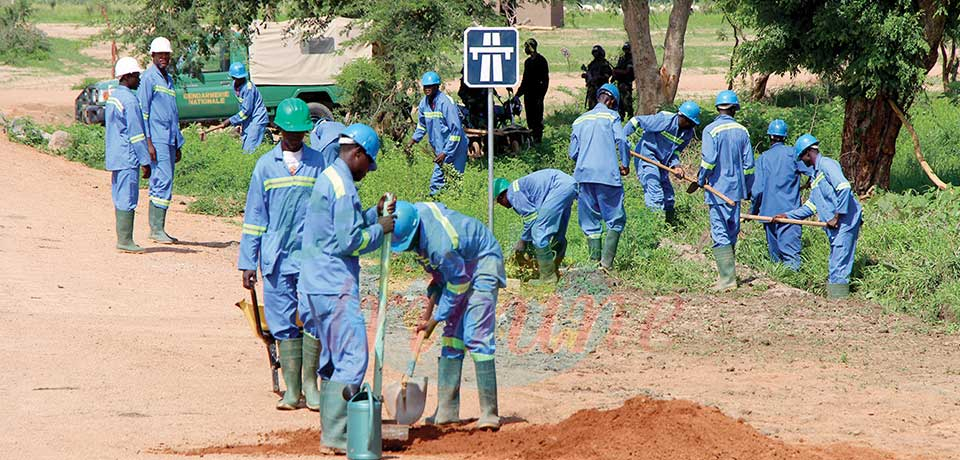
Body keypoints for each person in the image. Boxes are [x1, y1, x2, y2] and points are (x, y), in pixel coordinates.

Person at [297, 124, 394, 454]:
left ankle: (332, 432)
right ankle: (337, 436)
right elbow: (349, 240)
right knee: (353, 357)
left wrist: (372, 214)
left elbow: (344, 225)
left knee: (333, 360)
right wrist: (380, 229)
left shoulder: (332, 179)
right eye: (369, 162)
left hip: (314, 284)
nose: (369, 170)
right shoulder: (342, 187)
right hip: (333, 285)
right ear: (358, 154)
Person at [237, 98, 328, 412]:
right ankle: (292, 391)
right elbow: (254, 217)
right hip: (276, 257)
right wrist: (248, 262)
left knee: (313, 316)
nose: (294, 137)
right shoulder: (266, 165)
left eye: (300, 132)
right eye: (289, 131)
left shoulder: (320, 163)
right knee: (281, 322)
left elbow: (329, 210)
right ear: (278, 130)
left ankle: (310, 387)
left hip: (310, 257)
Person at [391, 200, 506, 431]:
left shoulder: (440, 244)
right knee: (452, 337)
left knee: (476, 334)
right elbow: (441, 277)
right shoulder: (415, 219)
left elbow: (459, 281)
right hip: (459, 266)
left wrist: (434, 320)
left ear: (414, 232)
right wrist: (432, 301)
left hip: (483, 262)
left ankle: (489, 412)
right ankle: (447, 410)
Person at [774, 134, 862, 299]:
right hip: (835, 224)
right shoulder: (815, 175)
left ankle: (839, 303)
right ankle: (836, 300)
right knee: (835, 262)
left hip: (845, 221)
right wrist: (786, 216)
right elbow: (811, 206)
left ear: (808, 153)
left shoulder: (828, 165)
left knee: (839, 264)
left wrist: (837, 216)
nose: (802, 162)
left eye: (802, 157)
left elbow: (843, 187)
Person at [698, 90, 754, 291]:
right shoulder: (743, 131)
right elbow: (749, 166)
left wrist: (701, 177)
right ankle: (729, 276)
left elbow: (709, 160)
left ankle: (727, 280)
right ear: (734, 109)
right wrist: (747, 188)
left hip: (717, 189)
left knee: (720, 230)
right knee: (732, 230)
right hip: (736, 190)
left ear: (717, 108)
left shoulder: (710, 130)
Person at [569, 83, 630, 270]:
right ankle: (606, 264)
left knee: (590, 222)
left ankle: (593, 264)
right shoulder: (612, 116)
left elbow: (573, 153)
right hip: (607, 175)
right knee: (615, 219)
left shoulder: (579, 120)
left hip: (583, 176)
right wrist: (625, 164)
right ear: (611, 101)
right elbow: (622, 140)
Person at [493, 169, 576, 284]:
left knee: (539, 231)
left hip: (558, 187)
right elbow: (534, 216)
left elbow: (531, 217)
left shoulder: (512, 193)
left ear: (502, 196)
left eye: (499, 202)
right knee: (558, 234)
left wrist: (522, 241)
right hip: (569, 185)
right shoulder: (518, 188)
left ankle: (547, 279)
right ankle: (553, 269)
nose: (502, 205)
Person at [139, 36, 184, 243]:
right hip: (156, 139)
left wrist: (178, 142)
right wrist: (148, 143)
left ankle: (160, 228)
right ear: (153, 56)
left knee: (167, 181)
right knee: (161, 180)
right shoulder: (148, 78)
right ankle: (156, 229)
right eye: (160, 55)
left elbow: (173, 114)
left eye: (167, 55)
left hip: (169, 139)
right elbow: (144, 113)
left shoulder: (169, 79)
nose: (164, 58)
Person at [624, 101, 701, 223]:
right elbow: (636, 120)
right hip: (647, 157)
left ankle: (669, 224)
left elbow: (675, 152)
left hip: (662, 163)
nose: (691, 125)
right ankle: (655, 227)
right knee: (655, 192)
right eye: (690, 122)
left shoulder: (687, 133)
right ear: (682, 117)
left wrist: (676, 166)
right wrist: (622, 140)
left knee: (668, 196)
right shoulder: (664, 120)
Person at [105, 57, 151, 253]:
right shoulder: (130, 100)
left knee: (119, 195)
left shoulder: (114, 97)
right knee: (127, 196)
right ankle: (125, 240)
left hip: (116, 155)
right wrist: (145, 161)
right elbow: (137, 134)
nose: (139, 79)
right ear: (128, 76)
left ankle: (123, 238)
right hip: (128, 156)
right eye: (136, 75)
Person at [751, 120, 810, 270]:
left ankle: (779, 287)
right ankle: (792, 287)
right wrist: (809, 184)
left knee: (775, 258)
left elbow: (757, 190)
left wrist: (753, 211)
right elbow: (814, 170)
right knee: (791, 256)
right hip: (790, 214)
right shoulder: (793, 154)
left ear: (769, 137)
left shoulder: (763, 158)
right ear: (785, 137)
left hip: (768, 215)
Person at [408, 71, 469, 195]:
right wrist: (413, 140)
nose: (427, 89)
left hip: (456, 148)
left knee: (450, 181)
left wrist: (445, 152)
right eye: (425, 86)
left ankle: (441, 204)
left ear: (437, 86)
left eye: (430, 86)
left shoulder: (445, 103)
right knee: (443, 181)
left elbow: (456, 130)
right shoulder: (423, 103)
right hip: (441, 150)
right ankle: (442, 204)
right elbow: (422, 125)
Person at [208, 62, 270, 153]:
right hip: (248, 120)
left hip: (257, 118)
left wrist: (230, 121)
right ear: (233, 77)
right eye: (236, 78)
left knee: (248, 150)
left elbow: (246, 111)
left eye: (241, 78)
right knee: (245, 143)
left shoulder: (248, 88)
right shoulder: (234, 85)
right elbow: (242, 105)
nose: (239, 80)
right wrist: (239, 122)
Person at [514, 38, 549, 143]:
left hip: (537, 96)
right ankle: (532, 140)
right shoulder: (527, 62)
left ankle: (538, 140)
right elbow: (525, 81)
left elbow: (545, 80)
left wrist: (541, 95)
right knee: (530, 119)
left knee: (537, 119)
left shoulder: (541, 60)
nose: (525, 49)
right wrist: (517, 95)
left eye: (526, 47)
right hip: (528, 96)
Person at [581, 45, 613, 109]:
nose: (595, 54)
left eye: (597, 53)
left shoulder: (604, 63)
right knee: (592, 107)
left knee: (602, 106)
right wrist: (586, 76)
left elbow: (607, 75)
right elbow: (589, 74)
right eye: (594, 53)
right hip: (592, 88)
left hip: (601, 88)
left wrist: (598, 77)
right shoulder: (592, 64)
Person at [611, 42, 634, 120]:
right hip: (620, 83)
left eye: (628, 50)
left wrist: (616, 71)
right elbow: (617, 69)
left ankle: (631, 117)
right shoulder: (622, 59)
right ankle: (621, 117)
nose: (626, 51)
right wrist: (614, 75)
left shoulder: (631, 60)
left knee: (627, 102)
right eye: (625, 49)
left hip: (627, 84)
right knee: (619, 102)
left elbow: (627, 71)